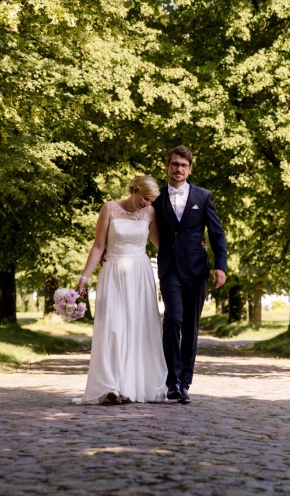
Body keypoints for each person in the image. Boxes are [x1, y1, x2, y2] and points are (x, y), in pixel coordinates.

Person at [73, 176, 168, 404]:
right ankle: (110, 386)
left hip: (140, 274)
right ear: (134, 190)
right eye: (145, 198)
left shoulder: (150, 213)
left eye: (152, 201)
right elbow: (98, 246)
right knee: (113, 328)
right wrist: (84, 276)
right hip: (113, 272)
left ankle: (134, 386)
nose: (147, 204)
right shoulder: (109, 209)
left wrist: (190, 244)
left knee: (139, 327)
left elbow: (160, 243)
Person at [154, 146, 228, 405]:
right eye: (175, 164)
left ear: (190, 169)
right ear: (168, 166)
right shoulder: (157, 198)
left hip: (197, 270)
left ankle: (185, 382)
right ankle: (172, 380)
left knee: (190, 327)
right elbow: (137, 220)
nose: (179, 169)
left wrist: (221, 266)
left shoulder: (203, 196)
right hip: (170, 268)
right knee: (172, 319)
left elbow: (217, 233)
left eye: (184, 165)